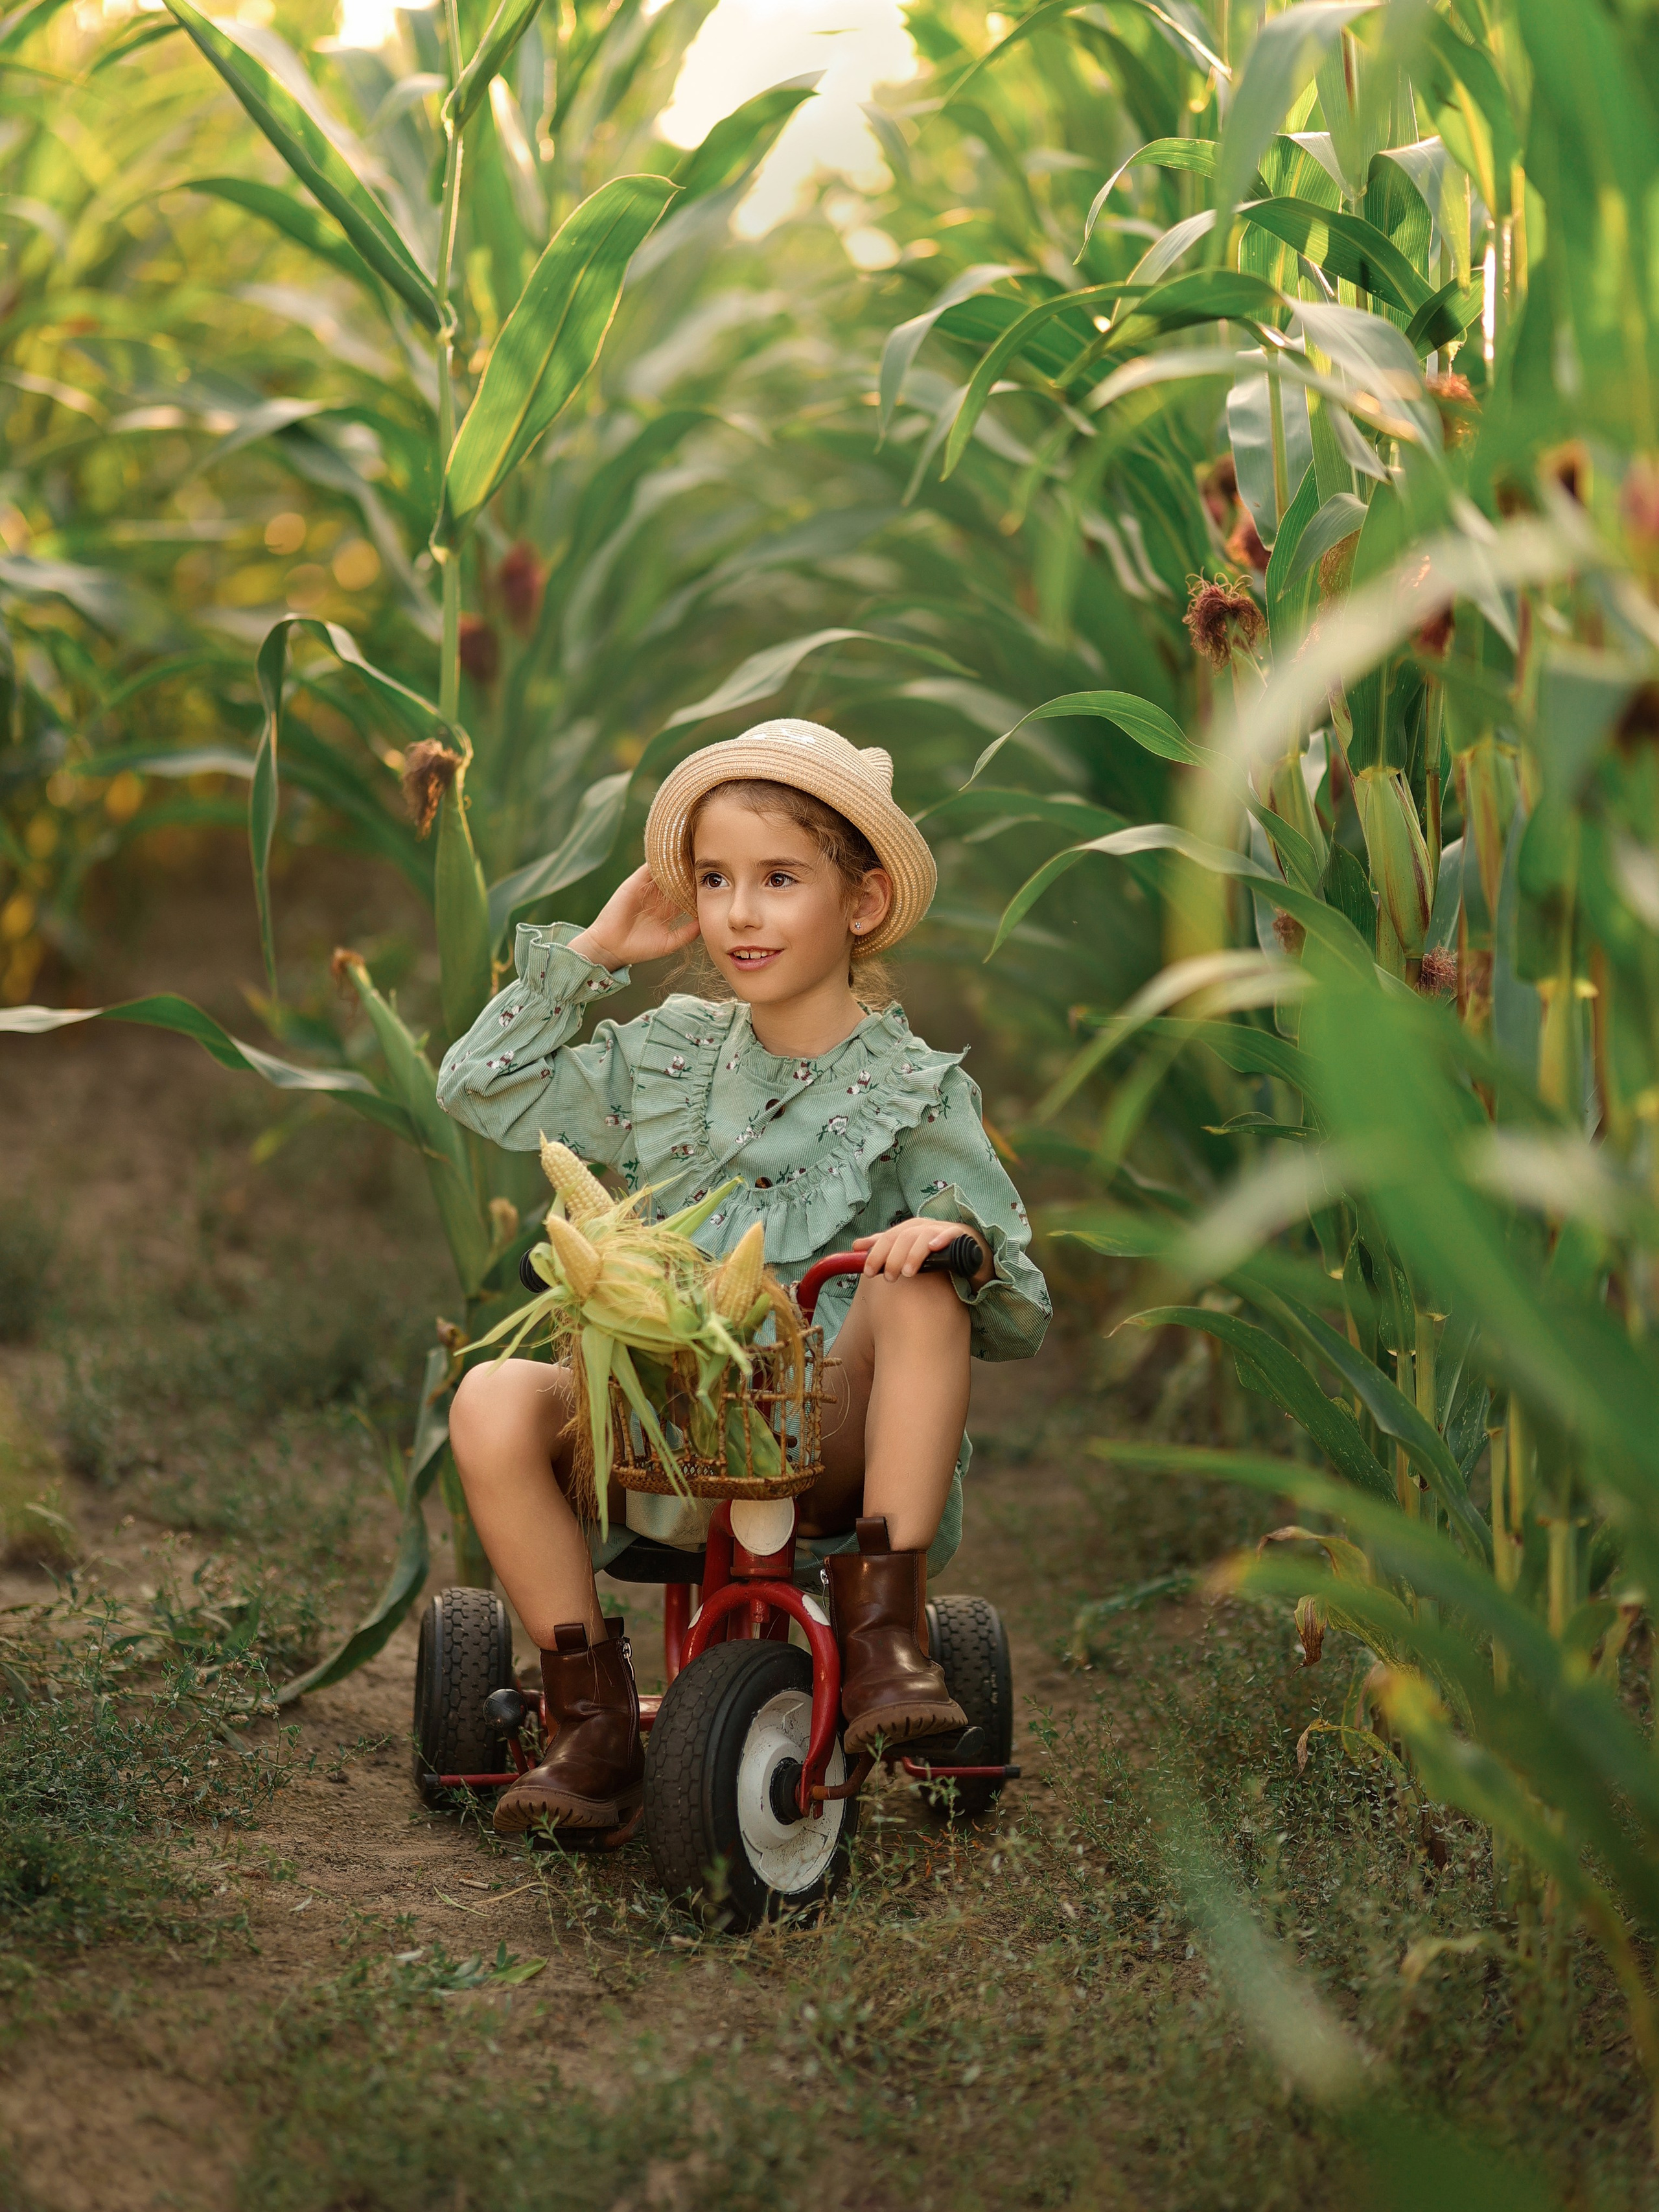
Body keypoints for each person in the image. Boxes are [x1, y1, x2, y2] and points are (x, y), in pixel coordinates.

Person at [436, 719, 1050, 1834]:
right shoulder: (663, 1055)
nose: (739, 912)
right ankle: (593, 1717)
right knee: (487, 1397)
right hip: (661, 1427)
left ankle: (882, 1641)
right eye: (714, 879)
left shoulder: (912, 1087)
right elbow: (478, 1089)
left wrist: (943, 1236)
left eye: (779, 878)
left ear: (859, 905)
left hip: (828, 1431)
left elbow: (1009, 1292)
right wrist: (596, 955)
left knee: (915, 1283)